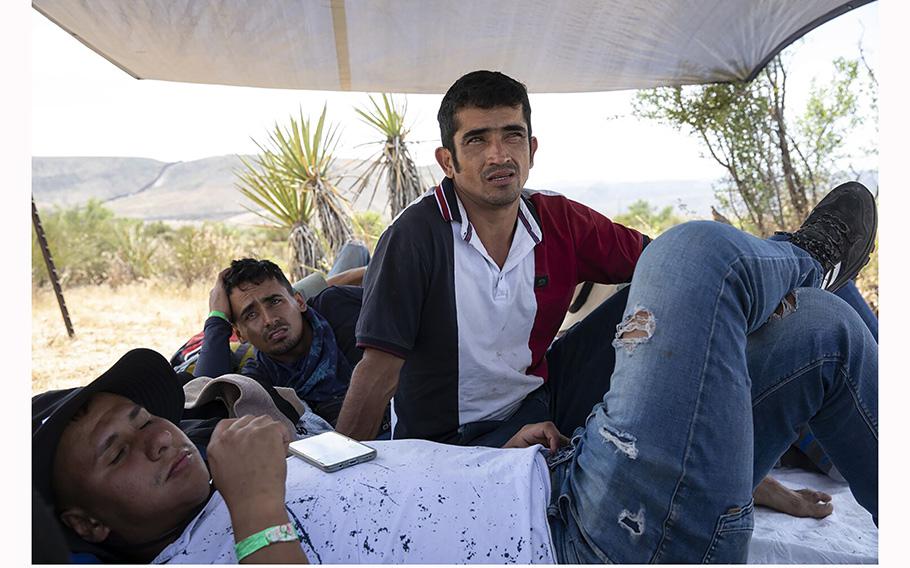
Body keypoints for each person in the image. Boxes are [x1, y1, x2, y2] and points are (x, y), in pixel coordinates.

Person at [32, 188, 877, 562]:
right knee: (692, 256)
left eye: (146, 422)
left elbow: (391, 485)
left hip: (553, 472)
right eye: (117, 450)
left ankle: (804, 289)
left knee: (829, 334)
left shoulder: (320, 327)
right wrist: (258, 512)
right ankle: (803, 259)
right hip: (598, 542)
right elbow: (361, 384)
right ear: (85, 525)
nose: (157, 437)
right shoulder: (223, 532)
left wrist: (504, 463)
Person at [334, 70, 877, 455]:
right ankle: (802, 259)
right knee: (808, 304)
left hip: (545, 395)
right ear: (447, 160)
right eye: (477, 140)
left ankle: (799, 262)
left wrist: (742, 286)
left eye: (511, 135)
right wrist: (339, 477)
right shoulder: (415, 237)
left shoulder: (557, 220)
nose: (498, 155)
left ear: (532, 147)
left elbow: (665, 266)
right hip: (451, 440)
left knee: (684, 276)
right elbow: (377, 373)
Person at [194, 242, 376, 429]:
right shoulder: (259, 379)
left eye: (274, 301)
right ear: (239, 334)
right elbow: (202, 399)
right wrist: (217, 318)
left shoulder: (337, 307)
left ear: (299, 301)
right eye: (251, 314)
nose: (269, 320)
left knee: (354, 250)